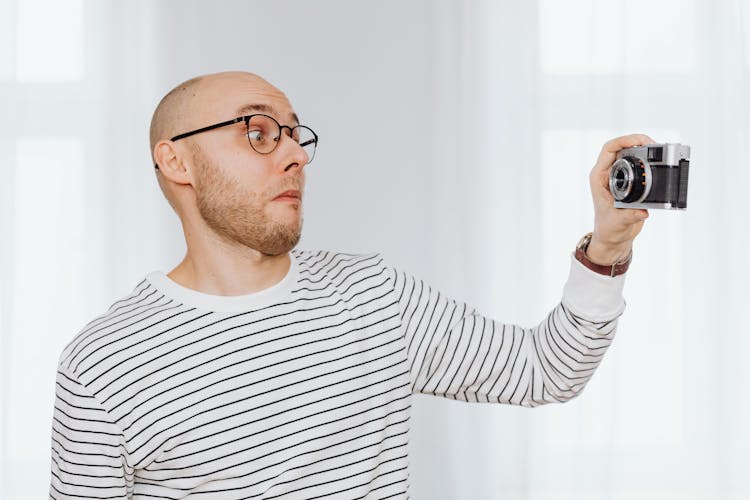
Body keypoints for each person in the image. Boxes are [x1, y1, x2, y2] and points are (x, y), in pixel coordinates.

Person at [49, 71, 651, 499]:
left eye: (295, 135)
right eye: (259, 133)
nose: (295, 156)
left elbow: (544, 371)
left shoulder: (373, 296)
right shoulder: (103, 363)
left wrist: (609, 244)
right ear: (176, 161)